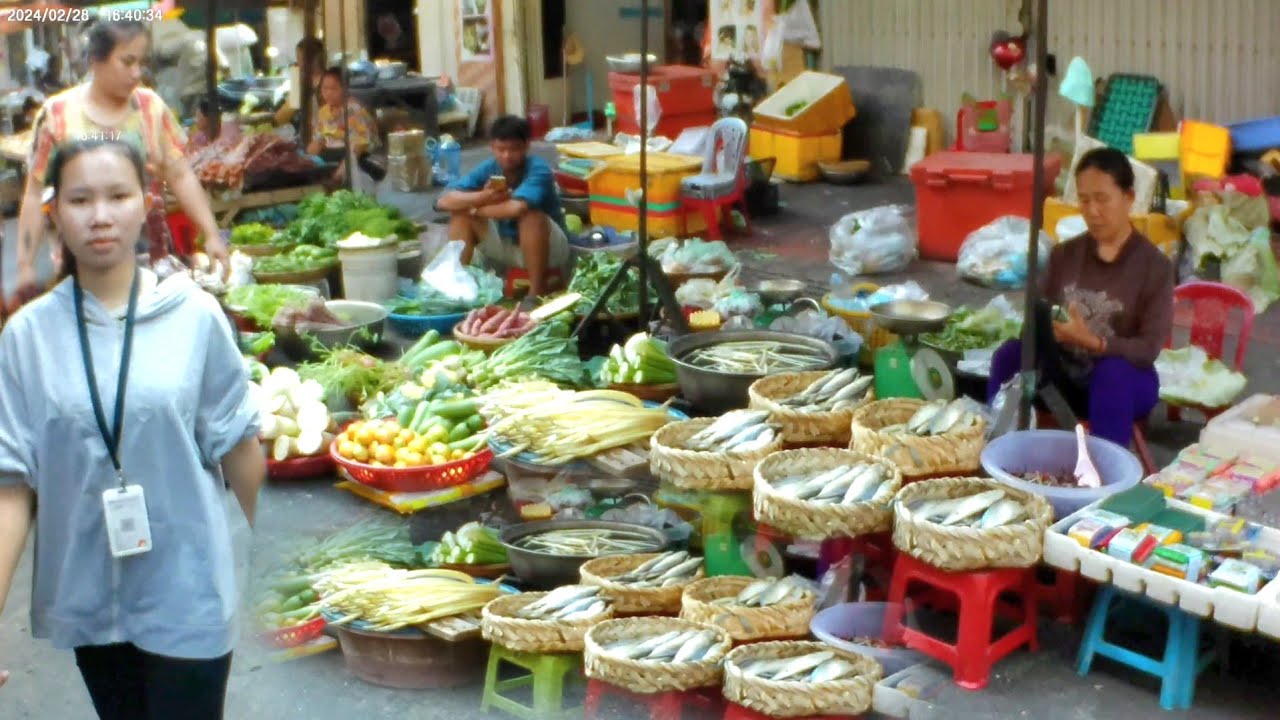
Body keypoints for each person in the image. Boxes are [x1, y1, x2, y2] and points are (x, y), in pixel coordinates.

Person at [0, 139, 265, 717]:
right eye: (80, 199)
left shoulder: (193, 316)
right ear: (55, 214)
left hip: (187, 583)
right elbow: (11, 486)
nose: (99, 216)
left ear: (144, 204)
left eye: (117, 195)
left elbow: (238, 444)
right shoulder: (26, 338)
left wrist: (280, 562)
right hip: (89, 591)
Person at [10, 19, 228, 302]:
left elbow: (180, 175)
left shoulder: (150, 108)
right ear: (96, 62)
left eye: (141, 62)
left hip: (150, 256)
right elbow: (35, 193)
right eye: (127, 62)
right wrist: (25, 265)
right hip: (82, 261)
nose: (137, 72)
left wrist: (210, 233)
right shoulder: (59, 115)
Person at [986, 147, 1174, 448]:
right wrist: (1049, 332)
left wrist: (1094, 342)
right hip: (1063, 375)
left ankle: (1106, 477)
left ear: (1128, 198)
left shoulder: (1155, 268)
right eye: (1084, 200)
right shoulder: (1065, 255)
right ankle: (998, 449)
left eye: (1102, 198)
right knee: (1009, 354)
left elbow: (1147, 348)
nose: (1092, 211)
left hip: (1124, 385)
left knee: (1112, 374)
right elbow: (1036, 318)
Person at [436, 115, 569, 298]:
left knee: (531, 217)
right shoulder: (489, 167)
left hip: (550, 249)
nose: (507, 156)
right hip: (508, 244)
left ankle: (536, 294)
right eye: (501, 149)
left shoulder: (538, 169)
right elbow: (444, 201)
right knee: (460, 216)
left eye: (514, 149)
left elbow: (517, 209)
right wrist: (483, 196)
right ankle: (458, 287)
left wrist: (476, 207)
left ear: (526, 146)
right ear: (492, 147)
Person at [274, 37, 326, 129]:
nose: (298, 63)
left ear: (315, 59)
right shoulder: (299, 79)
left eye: (300, 58)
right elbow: (283, 116)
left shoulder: (328, 80)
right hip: (304, 134)